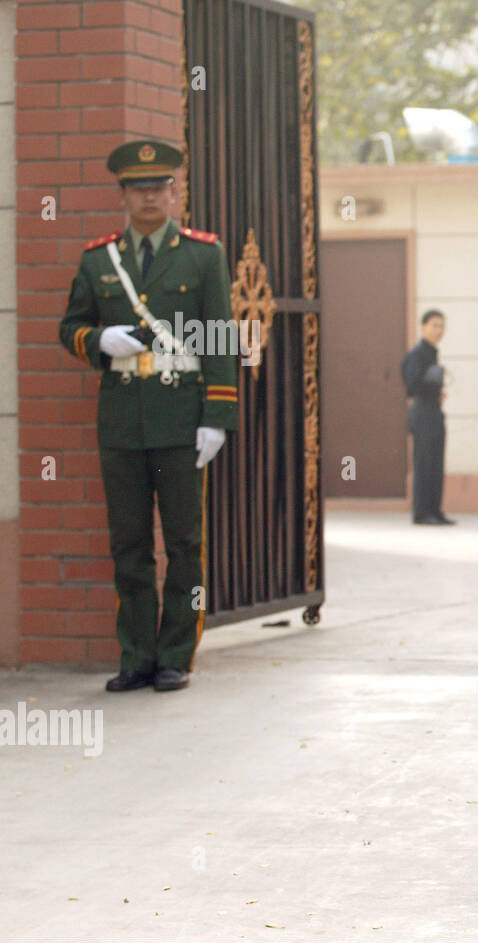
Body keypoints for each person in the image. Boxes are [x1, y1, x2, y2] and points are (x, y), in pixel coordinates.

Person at [58, 139, 238, 693]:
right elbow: (70, 328)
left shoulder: (203, 254)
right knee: (129, 542)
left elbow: (220, 337)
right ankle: (136, 655)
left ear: (174, 191)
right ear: (124, 195)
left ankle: (175, 655)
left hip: (182, 418)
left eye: (159, 186)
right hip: (121, 421)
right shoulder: (98, 259)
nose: (150, 196)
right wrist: (98, 339)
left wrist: (218, 415)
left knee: (184, 542)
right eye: (139, 188)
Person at [401, 310, 453, 525]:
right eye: (434, 325)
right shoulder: (417, 354)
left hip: (434, 410)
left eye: (441, 326)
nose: (438, 330)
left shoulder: (432, 352)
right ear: (423, 327)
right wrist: (432, 381)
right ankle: (422, 513)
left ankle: (435, 510)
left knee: (436, 462)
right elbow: (411, 384)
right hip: (422, 411)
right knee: (424, 462)